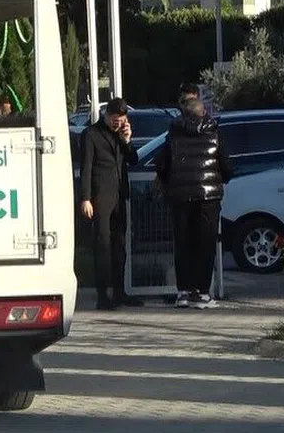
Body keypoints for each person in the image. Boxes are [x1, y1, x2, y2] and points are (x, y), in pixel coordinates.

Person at [155, 96, 234, 309]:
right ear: (203, 113)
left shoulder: (173, 135)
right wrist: (220, 179)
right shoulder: (215, 134)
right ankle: (202, 292)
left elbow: (161, 164)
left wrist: (168, 181)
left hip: (180, 197)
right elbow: (226, 166)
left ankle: (183, 291)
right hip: (208, 198)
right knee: (205, 245)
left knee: (182, 244)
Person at [80, 98, 141, 309]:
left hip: (119, 194)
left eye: (122, 120)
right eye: (115, 120)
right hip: (100, 196)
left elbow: (134, 160)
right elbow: (86, 167)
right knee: (103, 245)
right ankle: (102, 294)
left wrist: (127, 140)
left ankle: (119, 291)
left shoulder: (120, 135)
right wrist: (85, 197)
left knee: (119, 245)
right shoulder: (91, 135)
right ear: (106, 115)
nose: (118, 124)